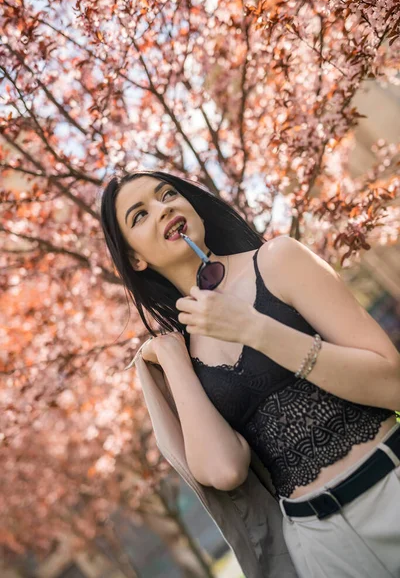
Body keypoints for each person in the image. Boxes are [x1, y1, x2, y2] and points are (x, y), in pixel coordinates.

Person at [100, 169, 400, 578]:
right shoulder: (185, 354)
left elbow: (393, 383)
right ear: (135, 258)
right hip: (320, 544)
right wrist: (173, 361)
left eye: (167, 194)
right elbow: (224, 470)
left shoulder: (279, 260)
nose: (163, 207)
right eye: (139, 215)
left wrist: (254, 329)